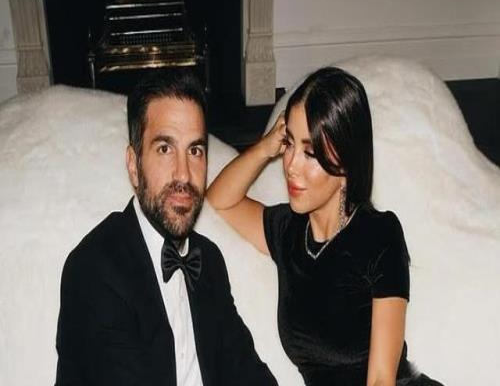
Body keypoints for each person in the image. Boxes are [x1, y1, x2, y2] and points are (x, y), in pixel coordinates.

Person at [207, 67, 443, 386]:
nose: (291, 166)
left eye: (309, 153)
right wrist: (265, 148)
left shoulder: (379, 235)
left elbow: (380, 379)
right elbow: (220, 200)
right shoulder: (287, 231)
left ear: (345, 160)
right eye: (289, 144)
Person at [55, 70, 277, 386]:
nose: (183, 174)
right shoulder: (94, 268)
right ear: (134, 165)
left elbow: (246, 369)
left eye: (195, 151)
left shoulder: (207, 260)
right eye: (165, 149)